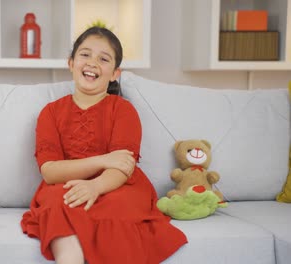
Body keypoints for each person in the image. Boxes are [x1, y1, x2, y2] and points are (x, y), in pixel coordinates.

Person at [21, 27, 187, 264]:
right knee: (59, 200)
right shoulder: (50, 112)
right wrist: (102, 160)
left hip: (116, 185)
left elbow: (122, 166)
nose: (92, 63)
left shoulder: (123, 110)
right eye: (85, 55)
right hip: (66, 184)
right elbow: (49, 171)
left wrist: (96, 186)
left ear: (114, 73)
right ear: (71, 63)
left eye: (103, 59)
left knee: (120, 204)